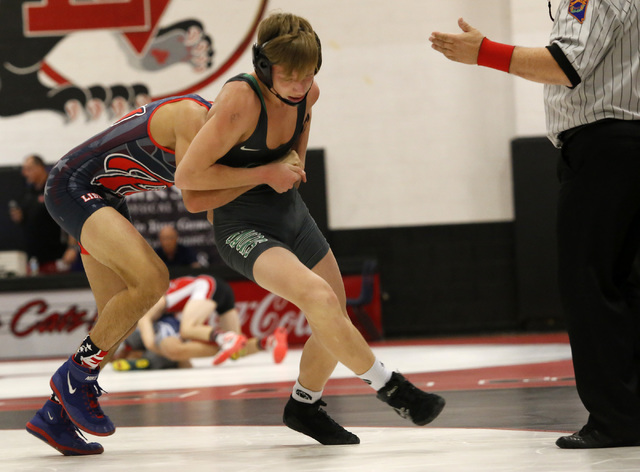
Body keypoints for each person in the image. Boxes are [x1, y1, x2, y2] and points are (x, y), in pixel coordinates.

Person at [175, 12, 446, 446]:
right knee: (318, 298)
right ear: (264, 66)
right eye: (290, 76)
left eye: (308, 75)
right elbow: (187, 180)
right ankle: (393, 388)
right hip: (241, 224)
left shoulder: (308, 92)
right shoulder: (240, 102)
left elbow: (299, 133)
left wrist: (291, 163)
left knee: (332, 311)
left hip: (290, 213)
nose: (300, 86)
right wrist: (265, 172)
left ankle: (304, 405)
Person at [26, 68, 305, 454]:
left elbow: (214, 211)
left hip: (105, 197)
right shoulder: (194, 116)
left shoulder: (219, 135)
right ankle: (74, 378)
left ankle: (53, 416)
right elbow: (194, 198)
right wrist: (264, 174)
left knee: (116, 322)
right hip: (74, 185)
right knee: (154, 280)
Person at [429, 2, 640, 449]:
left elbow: (565, 65)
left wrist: (484, 52)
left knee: (590, 283)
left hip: (605, 145)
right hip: (625, 144)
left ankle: (618, 420)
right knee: (623, 284)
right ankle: (629, 412)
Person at [112, 274, 288, 370]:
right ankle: (269, 341)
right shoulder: (160, 294)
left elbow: (150, 342)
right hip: (220, 288)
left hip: (207, 285)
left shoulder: (148, 308)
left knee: (188, 329)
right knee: (237, 350)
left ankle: (225, 339)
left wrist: (169, 355)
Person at [8, 154, 78, 274]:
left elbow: (70, 217)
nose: (24, 173)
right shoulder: (28, 193)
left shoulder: (54, 189)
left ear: (39, 168)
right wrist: (19, 217)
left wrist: (72, 248)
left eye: (28, 169)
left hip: (56, 256)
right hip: (34, 259)